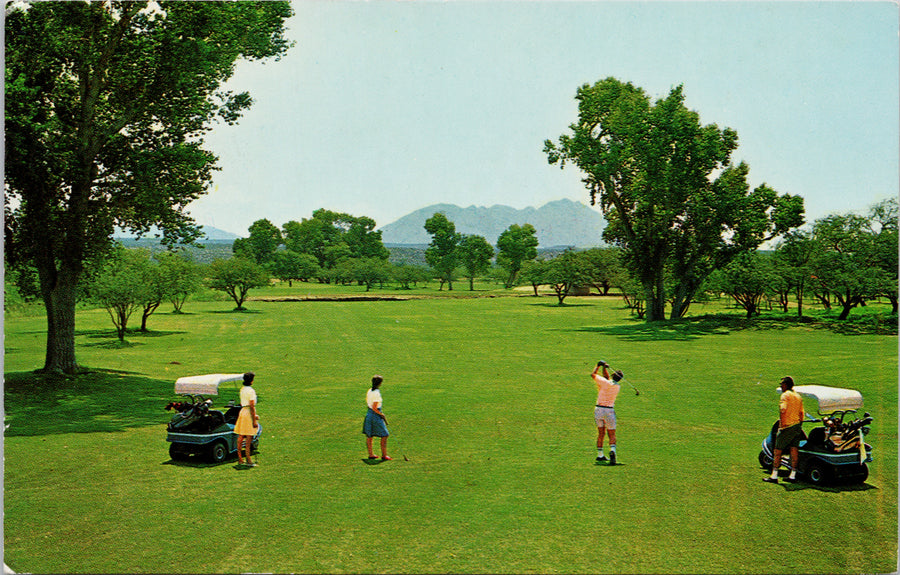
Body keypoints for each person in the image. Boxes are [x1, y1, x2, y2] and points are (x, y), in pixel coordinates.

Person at [764, 376, 805, 484]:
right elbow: (801, 413)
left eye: (782, 384)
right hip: (797, 426)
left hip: (787, 427)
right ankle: (792, 475)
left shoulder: (785, 395)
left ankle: (774, 475)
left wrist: (781, 426)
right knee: (794, 450)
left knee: (777, 451)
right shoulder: (798, 396)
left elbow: (783, 410)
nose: (781, 386)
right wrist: (799, 425)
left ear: (786, 385)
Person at [591, 361, 623, 465]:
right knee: (612, 433)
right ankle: (613, 451)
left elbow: (593, 375)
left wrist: (599, 366)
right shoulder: (617, 387)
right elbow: (607, 379)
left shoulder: (605, 383)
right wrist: (605, 368)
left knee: (601, 433)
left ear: (612, 375)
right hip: (609, 411)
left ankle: (600, 455)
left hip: (599, 410)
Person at [233, 372, 260, 467]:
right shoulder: (251, 391)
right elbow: (251, 406)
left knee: (241, 436)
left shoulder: (243, 389)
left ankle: (240, 458)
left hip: (243, 411)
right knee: (249, 437)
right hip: (248, 412)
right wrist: (254, 420)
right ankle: (248, 459)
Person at [363, 375, 392, 461]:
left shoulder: (370, 391)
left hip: (369, 413)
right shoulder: (377, 394)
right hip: (375, 414)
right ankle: (384, 455)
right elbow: (375, 407)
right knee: (385, 434)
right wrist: (381, 414)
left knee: (369, 435)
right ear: (379, 383)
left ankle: (371, 454)